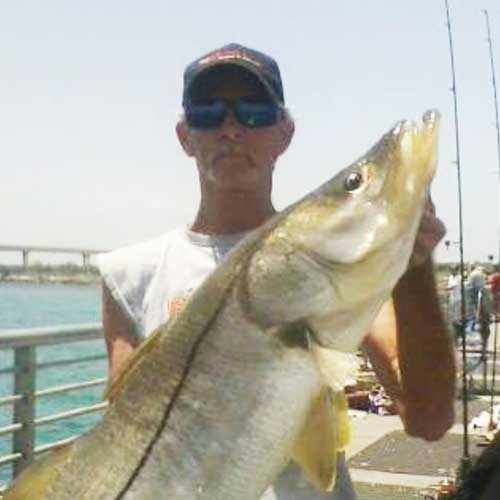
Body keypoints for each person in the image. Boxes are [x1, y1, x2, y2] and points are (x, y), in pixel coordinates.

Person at [97, 43, 456, 500]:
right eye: (208, 113)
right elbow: (125, 435)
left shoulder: (344, 274)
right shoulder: (128, 275)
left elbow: (428, 419)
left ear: (283, 133)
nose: (231, 128)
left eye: (254, 111)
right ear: (185, 136)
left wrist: (414, 268)